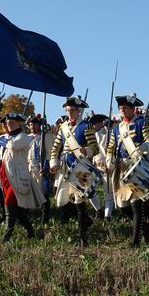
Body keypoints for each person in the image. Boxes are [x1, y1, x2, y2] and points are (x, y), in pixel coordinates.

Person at [107, 94, 149, 247]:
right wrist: (109, 159)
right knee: (122, 206)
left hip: (137, 168)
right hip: (122, 169)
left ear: (132, 109)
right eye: (120, 108)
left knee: (136, 206)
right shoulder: (117, 128)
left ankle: (135, 241)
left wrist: (143, 147)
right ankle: (146, 227)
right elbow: (111, 147)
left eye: (125, 108)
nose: (122, 110)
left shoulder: (142, 122)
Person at [49, 96, 100, 246]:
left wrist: (86, 150)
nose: (69, 113)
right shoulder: (63, 127)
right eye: (67, 110)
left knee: (80, 203)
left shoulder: (86, 126)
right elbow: (56, 148)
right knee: (61, 202)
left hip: (80, 168)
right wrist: (54, 161)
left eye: (72, 110)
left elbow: (95, 148)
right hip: (65, 168)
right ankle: (87, 220)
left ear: (79, 111)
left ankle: (83, 238)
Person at [0, 113, 45, 241]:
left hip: (18, 178)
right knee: (17, 210)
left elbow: (13, 146)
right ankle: (31, 232)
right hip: (6, 177)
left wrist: (4, 141)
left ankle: (7, 236)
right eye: (7, 123)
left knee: (9, 204)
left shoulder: (23, 137)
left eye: (12, 123)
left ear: (19, 124)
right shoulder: (7, 138)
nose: (9, 125)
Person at [27, 114, 54, 224]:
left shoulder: (45, 136)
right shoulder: (28, 137)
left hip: (40, 168)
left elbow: (49, 153)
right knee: (27, 193)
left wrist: (46, 166)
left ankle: (45, 218)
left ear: (39, 125)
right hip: (29, 168)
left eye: (35, 124)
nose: (32, 127)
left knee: (43, 194)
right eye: (31, 124)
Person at [88, 114, 114, 220]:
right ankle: (99, 210)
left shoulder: (108, 134)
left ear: (100, 123)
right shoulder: (93, 135)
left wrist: (110, 165)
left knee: (108, 192)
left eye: (94, 124)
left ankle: (107, 215)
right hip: (96, 167)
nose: (93, 126)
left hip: (106, 167)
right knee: (88, 188)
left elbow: (111, 152)